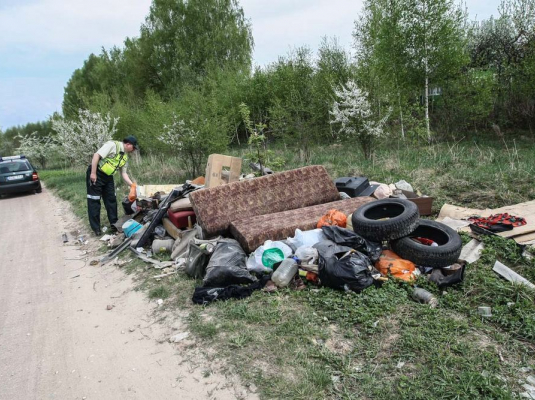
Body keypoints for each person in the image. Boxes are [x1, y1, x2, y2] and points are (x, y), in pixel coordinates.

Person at [86, 136, 138, 236]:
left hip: (108, 177)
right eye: (133, 147)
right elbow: (96, 155)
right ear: (128, 144)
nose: (134, 150)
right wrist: (93, 173)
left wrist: (133, 185)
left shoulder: (125, 157)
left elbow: (124, 173)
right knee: (94, 200)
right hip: (97, 172)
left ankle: (114, 225)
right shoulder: (112, 145)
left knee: (111, 200)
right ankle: (96, 228)